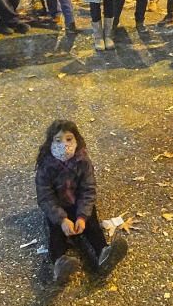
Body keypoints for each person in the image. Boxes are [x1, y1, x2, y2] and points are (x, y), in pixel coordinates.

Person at [35, 120, 127, 283]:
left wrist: (82, 216)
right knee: (55, 232)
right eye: (58, 140)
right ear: (50, 142)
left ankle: (103, 254)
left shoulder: (83, 161)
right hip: (57, 207)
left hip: (79, 205)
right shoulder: (46, 166)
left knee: (92, 225)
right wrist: (62, 219)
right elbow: (45, 196)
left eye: (69, 139)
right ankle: (59, 263)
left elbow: (88, 189)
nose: (64, 145)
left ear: (76, 139)